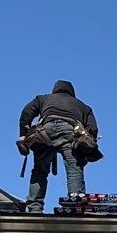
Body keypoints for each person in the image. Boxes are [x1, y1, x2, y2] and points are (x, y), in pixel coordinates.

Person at [17, 80, 101, 212]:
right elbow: (93, 128)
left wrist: (23, 135)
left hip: (45, 131)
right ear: (72, 92)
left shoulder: (43, 98)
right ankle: (76, 203)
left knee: (40, 170)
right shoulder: (83, 106)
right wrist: (85, 148)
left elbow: (26, 113)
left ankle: (35, 208)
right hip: (71, 131)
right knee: (74, 169)